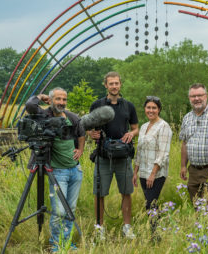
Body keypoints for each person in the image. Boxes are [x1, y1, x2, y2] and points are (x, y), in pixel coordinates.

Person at [25, 87, 85, 252]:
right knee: (58, 210)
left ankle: (67, 243)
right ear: (51, 100)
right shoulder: (44, 115)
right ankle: (56, 244)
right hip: (57, 172)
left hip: (75, 171)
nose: (61, 103)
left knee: (70, 209)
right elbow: (30, 105)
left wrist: (80, 150)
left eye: (64, 99)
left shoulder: (72, 117)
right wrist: (40, 96)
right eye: (58, 99)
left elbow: (81, 134)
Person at [88, 71, 139, 240]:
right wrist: (90, 134)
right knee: (100, 193)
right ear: (106, 85)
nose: (114, 86)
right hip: (103, 155)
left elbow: (136, 127)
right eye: (111, 84)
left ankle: (127, 227)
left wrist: (132, 134)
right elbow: (87, 125)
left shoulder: (128, 106)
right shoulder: (97, 104)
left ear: (120, 84)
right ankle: (99, 228)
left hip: (124, 155)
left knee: (126, 192)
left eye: (117, 83)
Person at [179, 83, 208, 205]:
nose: (196, 99)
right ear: (189, 98)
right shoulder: (187, 118)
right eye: (193, 96)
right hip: (193, 171)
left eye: (200, 95)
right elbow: (184, 143)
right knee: (196, 206)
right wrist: (183, 165)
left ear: (206, 96)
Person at [132, 96, 172, 211]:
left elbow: (163, 153)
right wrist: (135, 173)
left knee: (151, 204)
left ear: (159, 109)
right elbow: (139, 152)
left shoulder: (163, 126)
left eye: (154, 108)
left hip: (156, 174)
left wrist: (153, 174)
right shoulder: (144, 127)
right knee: (149, 205)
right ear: (144, 109)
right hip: (143, 173)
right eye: (148, 107)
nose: (151, 110)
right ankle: (156, 228)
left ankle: (156, 228)